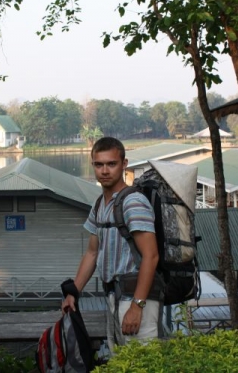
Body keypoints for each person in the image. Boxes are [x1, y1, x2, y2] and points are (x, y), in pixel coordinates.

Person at [61, 137, 162, 351]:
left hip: (135, 297)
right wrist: (74, 292)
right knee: (120, 363)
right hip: (114, 298)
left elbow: (151, 256)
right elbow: (91, 253)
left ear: (124, 164)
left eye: (111, 164)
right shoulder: (100, 204)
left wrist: (137, 306)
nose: (105, 171)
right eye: (99, 165)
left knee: (141, 363)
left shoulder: (133, 202)